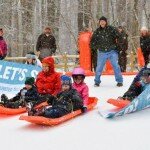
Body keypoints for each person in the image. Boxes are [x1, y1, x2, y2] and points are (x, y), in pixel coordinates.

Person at [90, 16, 123, 87]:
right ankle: (97, 82)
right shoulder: (97, 31)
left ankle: (120, 81)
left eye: (103, 21)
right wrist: (96, 47)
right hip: (102, 52)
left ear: (106, 22)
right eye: (101, 21)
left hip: (112, 51)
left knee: (116, 66)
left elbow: (120, 37)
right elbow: (92, 42)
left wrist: (118, 46)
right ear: (99, 22)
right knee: (99, 68)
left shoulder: (111, 29)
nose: (102, 22)